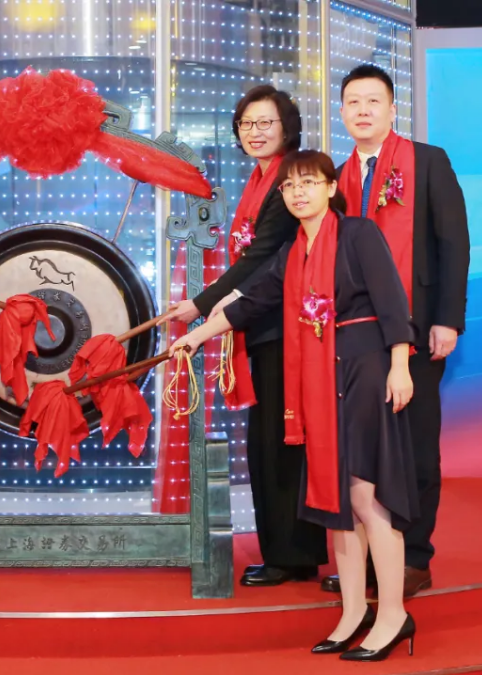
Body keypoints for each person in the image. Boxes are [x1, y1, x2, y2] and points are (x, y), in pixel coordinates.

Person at [172, 150, 418, 661]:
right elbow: (250, 303)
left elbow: (393, 302)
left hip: (365, 371)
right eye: (289, 186)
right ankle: (354, 611)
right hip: (321, 381)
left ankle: (393, 614)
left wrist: (400, 365)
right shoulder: (292, 252)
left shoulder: (358, 234)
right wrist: (195, 336)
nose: (299, 192)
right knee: (338, 500)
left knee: (367, 498)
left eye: (309, 182)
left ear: (331, 187)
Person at [163, 85, 327, 586]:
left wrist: (202, 304)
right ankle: (291, 551)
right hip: (266, 323)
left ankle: (290, 555)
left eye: (265, 123)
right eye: (246, 124)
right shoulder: (260, 179)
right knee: (269, 442)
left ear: (287, 126)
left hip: (288, 327)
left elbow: (260, 257)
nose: (255, 132)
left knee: (280, 443)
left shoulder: (289, 179)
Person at [321, 64, 470, 598]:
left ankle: (415, 557)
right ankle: (368, 559)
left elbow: (453, 243)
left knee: (416, 444)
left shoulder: (428, 161)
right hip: (358, 339)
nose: (362, 111)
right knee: (363, 450)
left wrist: (447, 319)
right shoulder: (336, 177)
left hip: (421, 326)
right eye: (353, 102)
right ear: (341, 112)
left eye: (373, 101)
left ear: (391, 108)